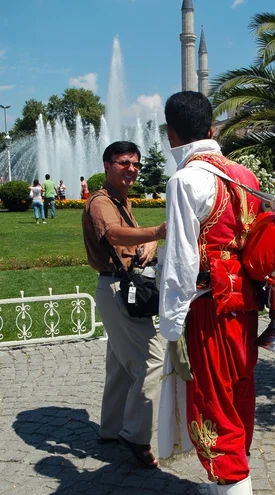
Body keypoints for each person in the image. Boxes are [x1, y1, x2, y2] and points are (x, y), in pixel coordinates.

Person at [159, 91, 271, 495]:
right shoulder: (243, 175)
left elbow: (181, 260)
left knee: (213, 403)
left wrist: (171, 322)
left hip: (208, 308)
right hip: (244, 306)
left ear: (170, 134)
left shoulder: (186, 179)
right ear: (211, 129)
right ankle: (227, 493)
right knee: (238, 398)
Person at [82, 140, 166, 469]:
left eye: (135, 164)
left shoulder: (121, 200)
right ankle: (135, 434)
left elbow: (131, 237)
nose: (130, 169)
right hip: (117, 287)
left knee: (119, 364)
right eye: (122, 163)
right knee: (153, 361)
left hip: (119, 284)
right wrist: (157, 230)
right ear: (107, 165)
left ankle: (111, 428)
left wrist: (148, 241)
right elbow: (114, 235)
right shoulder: (101, 201)